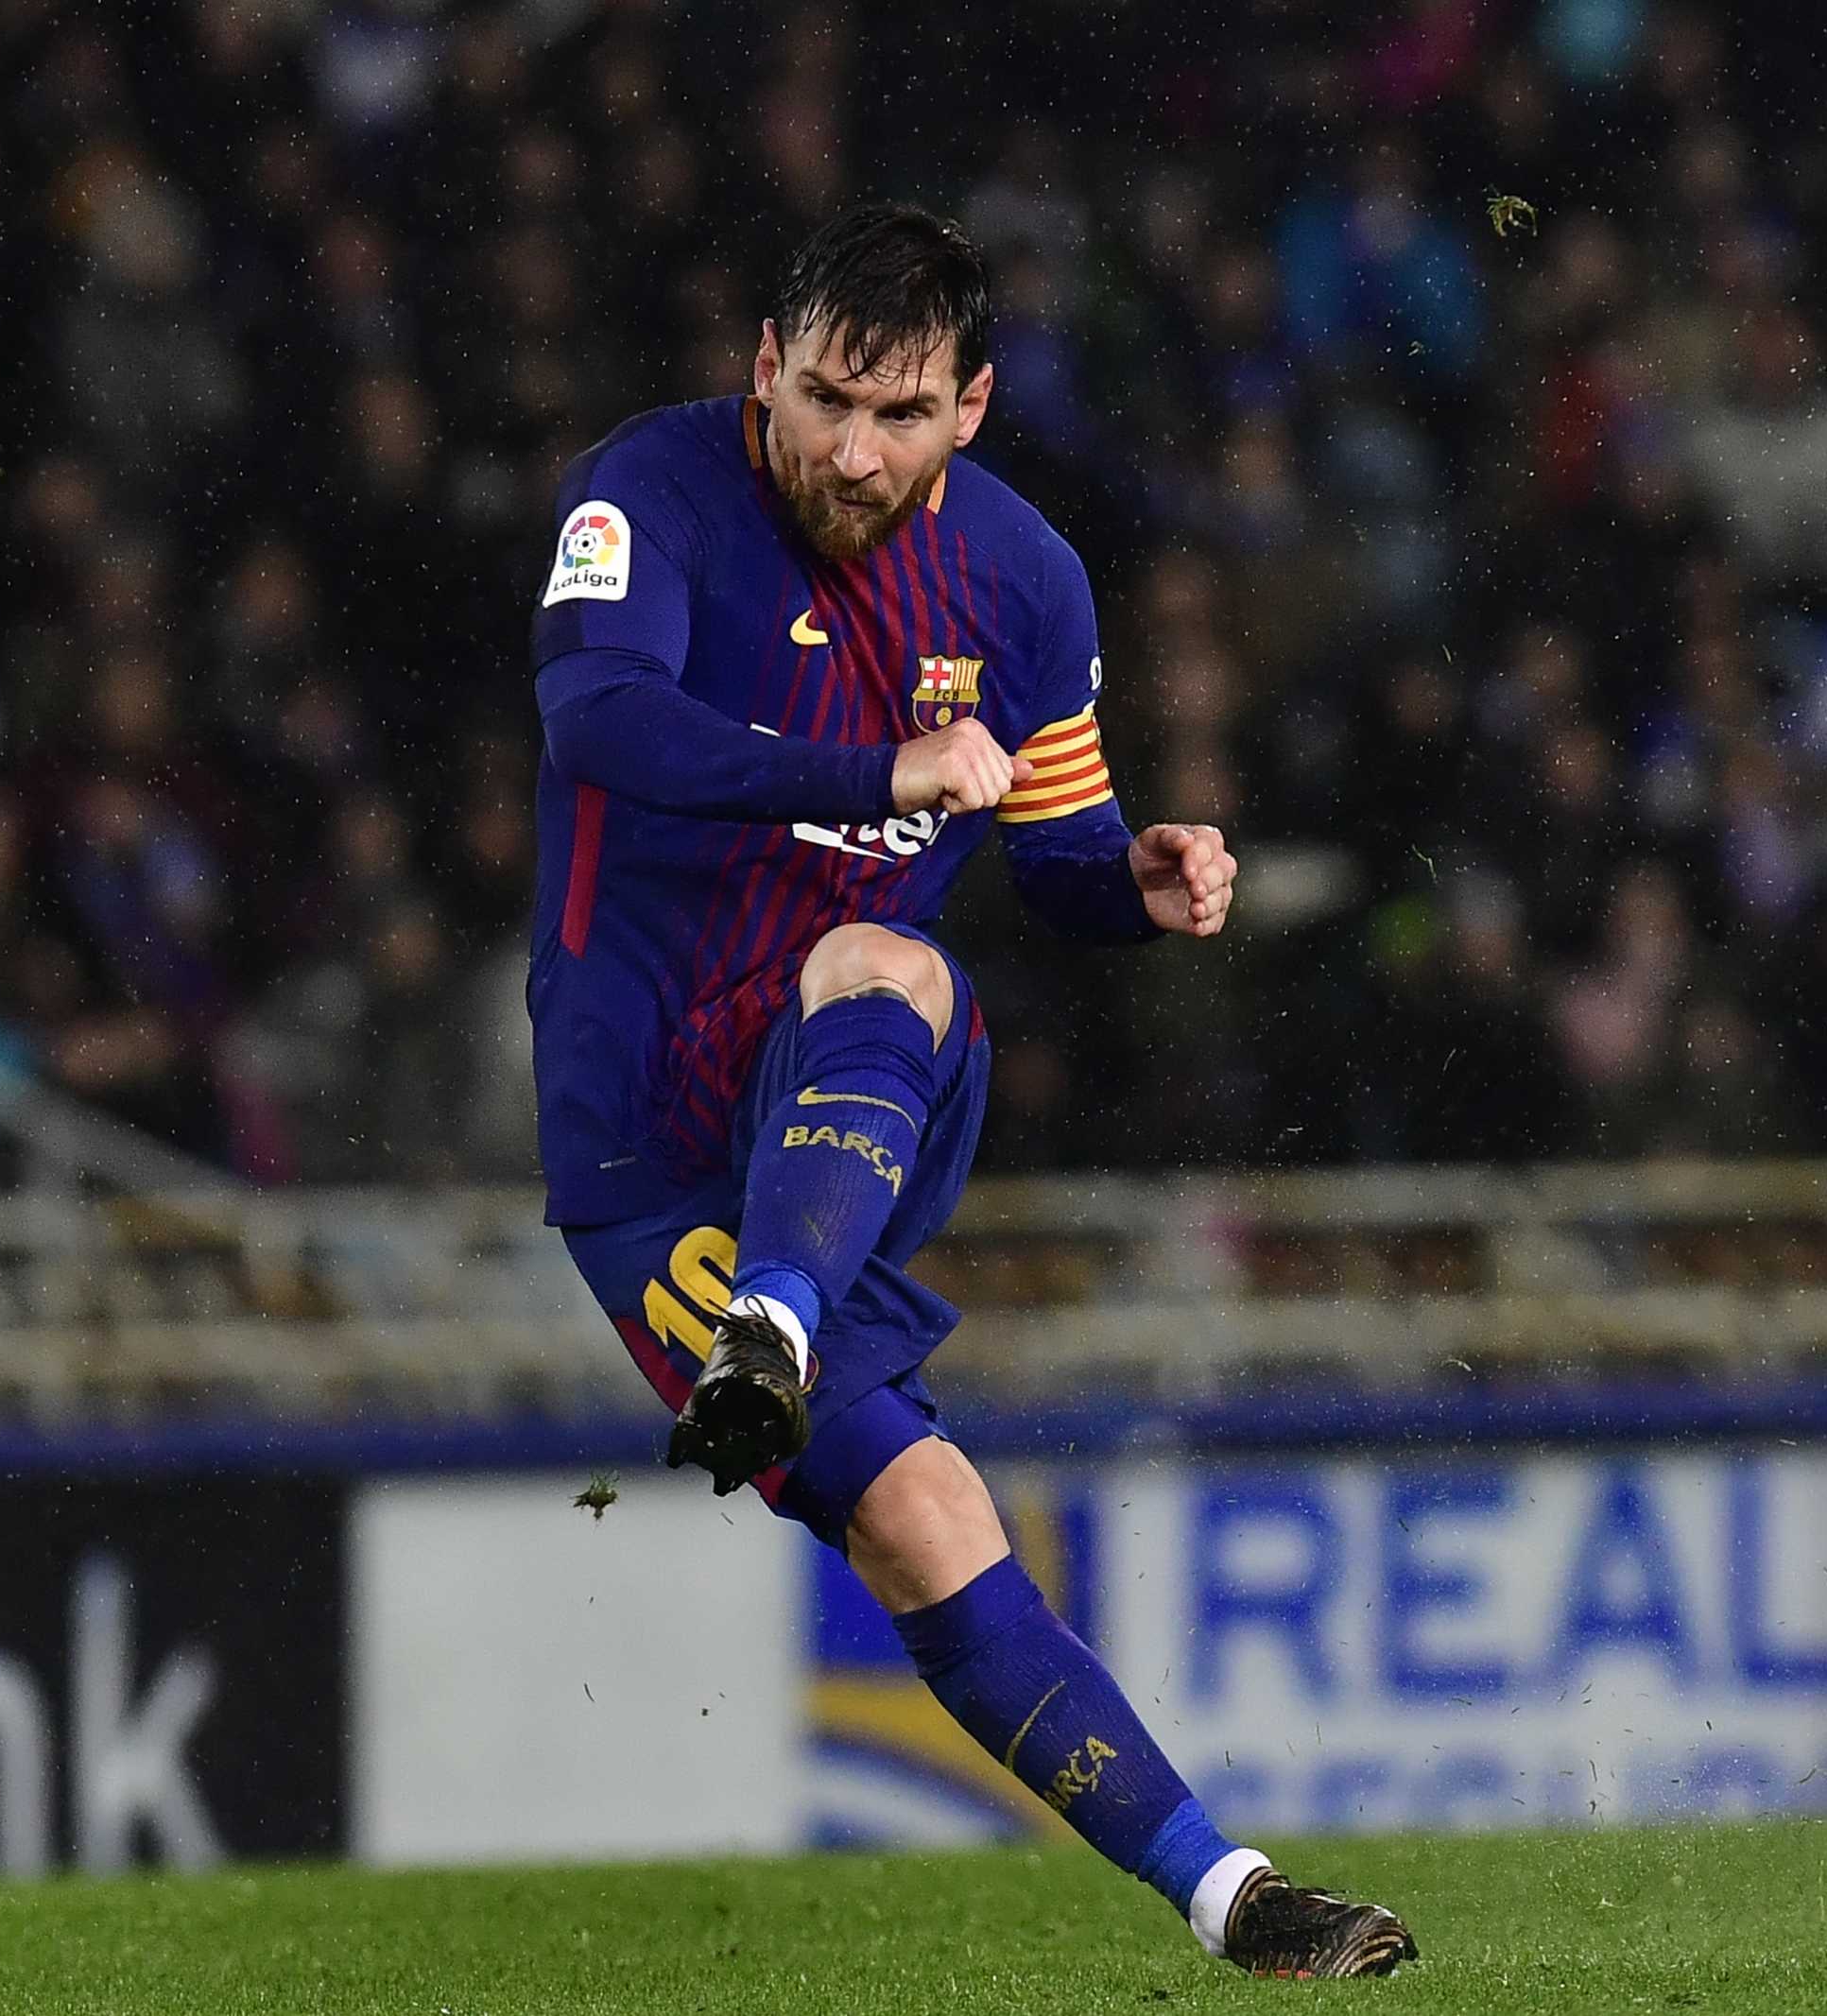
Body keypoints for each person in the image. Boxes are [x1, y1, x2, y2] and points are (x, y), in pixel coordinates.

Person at [527, 205, 1413, 1977]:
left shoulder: (1024, 582)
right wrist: (878, 764)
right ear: (763, 364)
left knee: (892, 959)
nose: (853, 452)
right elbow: (598, 718)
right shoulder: (647, 492)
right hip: (641, 1139)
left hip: (842, 1086)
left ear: (975, 407)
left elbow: (1062, 845)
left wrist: (1135, 882)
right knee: (928, 1519)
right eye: (825, 398)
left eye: (902, 413)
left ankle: (774, 1324)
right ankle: (1236, 1898)